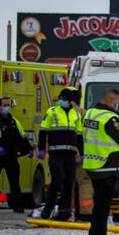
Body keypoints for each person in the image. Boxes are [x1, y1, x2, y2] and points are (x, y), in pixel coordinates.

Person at [81, 87, 119, 235]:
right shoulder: (110, 118)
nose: (118, 105)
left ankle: (94, 234)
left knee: (98, 203)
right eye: (117, 102)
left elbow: (104, 133)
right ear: (112, 100)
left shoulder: (91, 113)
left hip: (94, 165)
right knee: (102, 206)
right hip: (109, 167)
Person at [35, 88, 84, 221]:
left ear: (70, 101)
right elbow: (43, 131)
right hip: (56, 152)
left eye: (64, 99)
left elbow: (79, 136)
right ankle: (47, 210)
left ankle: (64, 211)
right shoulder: (52, 112)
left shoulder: (76, 114)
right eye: (60, 98)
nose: (61, 101)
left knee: (68, 182)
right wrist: (41, 149)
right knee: (57, 180)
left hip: (70, 154)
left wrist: (82, 153)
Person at [0, 97, 32, 213]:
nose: (7, 107)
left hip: (11, 156)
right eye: (4, 105)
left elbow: (22, 138)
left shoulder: (14, 122)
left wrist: (29, 149)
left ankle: (16, 205)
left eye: (8, 105)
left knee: (14, 182)